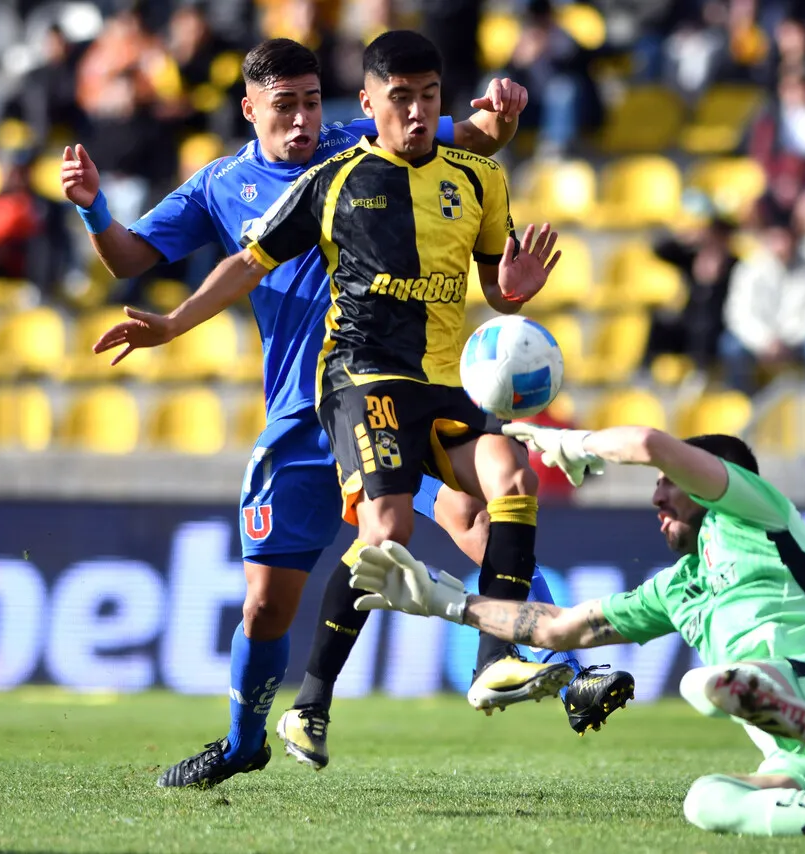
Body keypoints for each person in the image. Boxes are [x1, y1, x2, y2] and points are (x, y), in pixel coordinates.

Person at [78, 38, 631, 789]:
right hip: (301, 415)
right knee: (268, 605)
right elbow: (130, 258)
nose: (305, 120)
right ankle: (245, 740)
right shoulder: (219, 186)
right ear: (250, 110)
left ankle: (563, 671)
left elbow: (464, 143)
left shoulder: (357, 139)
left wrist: (497, 121)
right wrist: (93, 210)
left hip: (395, 395)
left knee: (479, 516)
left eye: (313, 101)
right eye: (286, 107)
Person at [346, 425, 805, 839]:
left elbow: (650, 441)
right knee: (705, 801)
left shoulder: (759, 512)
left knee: (709, 685)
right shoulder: (675, 588)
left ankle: (765, 697)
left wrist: (574, 441)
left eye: (670, 486)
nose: (657, 499)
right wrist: (444, 602)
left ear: (714, 479)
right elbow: (560, 628)